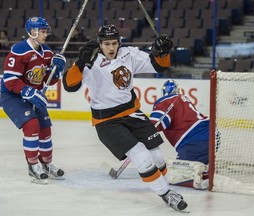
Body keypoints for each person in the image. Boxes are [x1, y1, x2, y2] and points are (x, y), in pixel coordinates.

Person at [62, 24, 189, 212]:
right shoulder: (90, 58)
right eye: (106, 44)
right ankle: (166, 194)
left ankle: (166, 188)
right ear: (100, 44)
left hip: (133, 113)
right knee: (142, 156)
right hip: (106, 121)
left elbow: (159, 66)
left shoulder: (128, 53)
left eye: (114, 43)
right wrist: (80, 63)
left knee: (157, 156)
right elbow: (68, 85)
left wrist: (162, 52)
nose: (111, 48)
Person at [0, 17, 66, 184]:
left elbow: (49, 81)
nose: (46, 34)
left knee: (45, 129)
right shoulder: (20, 50)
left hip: (33, 95)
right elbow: (9, 80)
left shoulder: (48, 52)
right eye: (42, 31)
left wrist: (56, 69)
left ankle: (46, 163)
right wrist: (26, 90)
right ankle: (32, 165)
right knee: (32, 126)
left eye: (45, 31)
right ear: (32, 32)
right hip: (11, 95)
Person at [149, 79, 210, 189]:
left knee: (168, 174)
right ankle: (204, 166)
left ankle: (201, 178)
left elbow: (158, 121)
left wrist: (143, 133)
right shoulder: (183, 99)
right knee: (200, 159)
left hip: (194, 143)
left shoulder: (165, 101)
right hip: (210, 135)